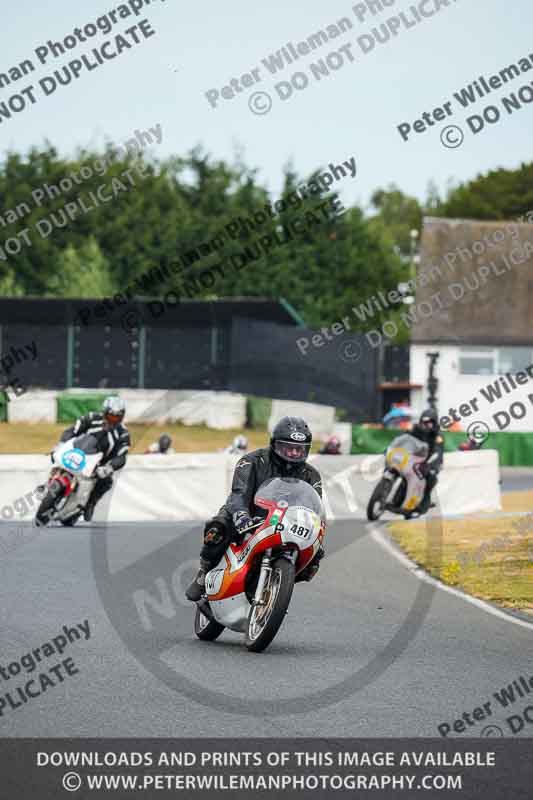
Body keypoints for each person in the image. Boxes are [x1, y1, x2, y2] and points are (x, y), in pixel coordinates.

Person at [186, 416, 324, 602]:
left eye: (299, 449)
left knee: (316, 558)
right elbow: (239, 493)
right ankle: (204, 572)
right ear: (275, 444)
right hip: (248, 511)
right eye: (288, 447)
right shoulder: (252, 461)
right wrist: (241, 515)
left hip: (284, 522)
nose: (293, 453)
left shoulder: (312, 475)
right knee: (217, 528)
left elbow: (314, 509)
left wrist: (316, 534)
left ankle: (278, 586)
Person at [58, 396, 130, 521]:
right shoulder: (91, 418)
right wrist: (62, 443)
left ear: (122, 417)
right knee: (55, 457)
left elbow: (122, 456)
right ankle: (48, 483)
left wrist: (109, 467)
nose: (113, 420)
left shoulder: (123, 433)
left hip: (98, 464)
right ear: (105, 412)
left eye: (117, 417)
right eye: (111, 416)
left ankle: (90, 503)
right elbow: (72, 430)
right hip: (77, 453)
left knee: (106, 481)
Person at [410, 407, 444, 514]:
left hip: (429, 462)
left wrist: (433, 466)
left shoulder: (438, 436)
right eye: (424, 422)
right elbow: (405, 439)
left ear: (434, 423)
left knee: (431, 477)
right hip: (413, 458)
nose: (427, 425)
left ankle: (425, 501)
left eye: (430, 422)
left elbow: (438, 452)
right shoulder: (415, 430)